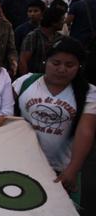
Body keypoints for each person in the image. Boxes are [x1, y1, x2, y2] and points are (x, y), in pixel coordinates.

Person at [13, 37, 96, 197]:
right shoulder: (25, 82)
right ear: (45, 62)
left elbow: (85, 132)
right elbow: (2, 114)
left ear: (79, 67)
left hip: (60, 170)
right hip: (22, 164)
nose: (62, 69)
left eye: (69, 65)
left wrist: (72, 169)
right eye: (56, 63)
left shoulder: (89, 93)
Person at [18, 7, 65, 75]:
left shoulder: (60, 38)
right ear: (54, 22)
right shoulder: (33, 37)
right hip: (35, 79)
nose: (63, 22)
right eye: (62, 20)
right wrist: (26, 81)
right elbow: (23, 61)